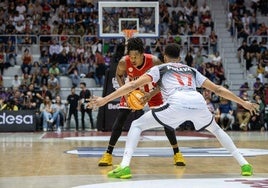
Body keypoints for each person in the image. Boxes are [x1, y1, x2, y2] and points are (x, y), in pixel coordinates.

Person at [90, 43, 257, 178]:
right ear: (180, 57)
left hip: (177, 103)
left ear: (164, 57)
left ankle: (125, 166)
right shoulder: (191, 70)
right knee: (217, 130)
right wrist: (243, 102)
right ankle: (244, 164)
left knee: (136, 125)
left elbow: (132, 85)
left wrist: (104, 100)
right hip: (198, 102)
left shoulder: (160, 68)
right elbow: (218, 89)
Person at [97, 38, 182, 167]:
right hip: (133, 90)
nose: (133, 60)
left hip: (152, 91)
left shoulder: (154, 61)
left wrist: (150, 94)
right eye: (131, 57)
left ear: (143, 54)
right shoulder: (123, 62)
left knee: (166, 121)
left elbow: (163, 80)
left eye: (135, 57)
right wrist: (125, 93)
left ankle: (177, 153)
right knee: (120, 119)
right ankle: (108, 154)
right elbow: (119, 75)